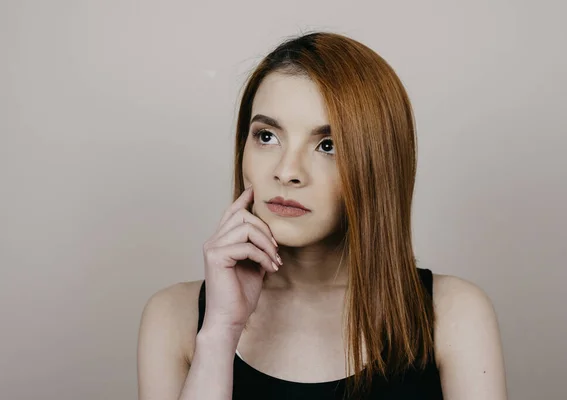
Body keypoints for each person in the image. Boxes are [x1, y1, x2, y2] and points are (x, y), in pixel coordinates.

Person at [137, 31, 508, 400]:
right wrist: (219, 332)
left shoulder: (454, 315)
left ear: (377, 165)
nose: (287, 171)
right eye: (267, 136)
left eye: (327, 145)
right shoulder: (173, 317)